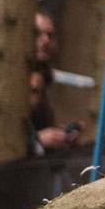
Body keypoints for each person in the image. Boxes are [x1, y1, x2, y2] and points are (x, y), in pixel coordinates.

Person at [30, 12, 77, 152]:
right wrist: (36, 140)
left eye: (50, 35)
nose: (45, 40)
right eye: (37, 33)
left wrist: (60, 139)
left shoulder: (45, 79)